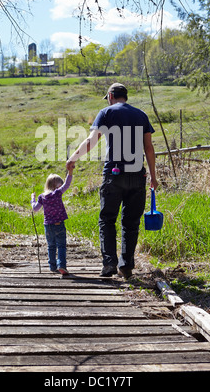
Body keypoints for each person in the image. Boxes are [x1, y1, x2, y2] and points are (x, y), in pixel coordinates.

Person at [66, 82, 158, 280]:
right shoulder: (141, 115)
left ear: (110, 96)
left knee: (107, 219)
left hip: (113, 174)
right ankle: (126, 267)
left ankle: (109, 264)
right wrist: (153, 177)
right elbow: (149, 148)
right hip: (137, 175)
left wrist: (73, 158)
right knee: (131, 223)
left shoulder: (106, 113)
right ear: (125, 96)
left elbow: (91, 141)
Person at [31, 166, 74, 276]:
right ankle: (62, 266)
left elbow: (35, 209)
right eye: (60, 184)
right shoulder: (58, 193)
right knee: (61, 246)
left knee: (51, 246)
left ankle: (52, 266)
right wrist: (70, 172)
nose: (62, 185)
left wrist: (33, 198)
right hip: (59, 224)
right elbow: (67, 184)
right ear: (57, 185)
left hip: (48, 226)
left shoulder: (42, 197)